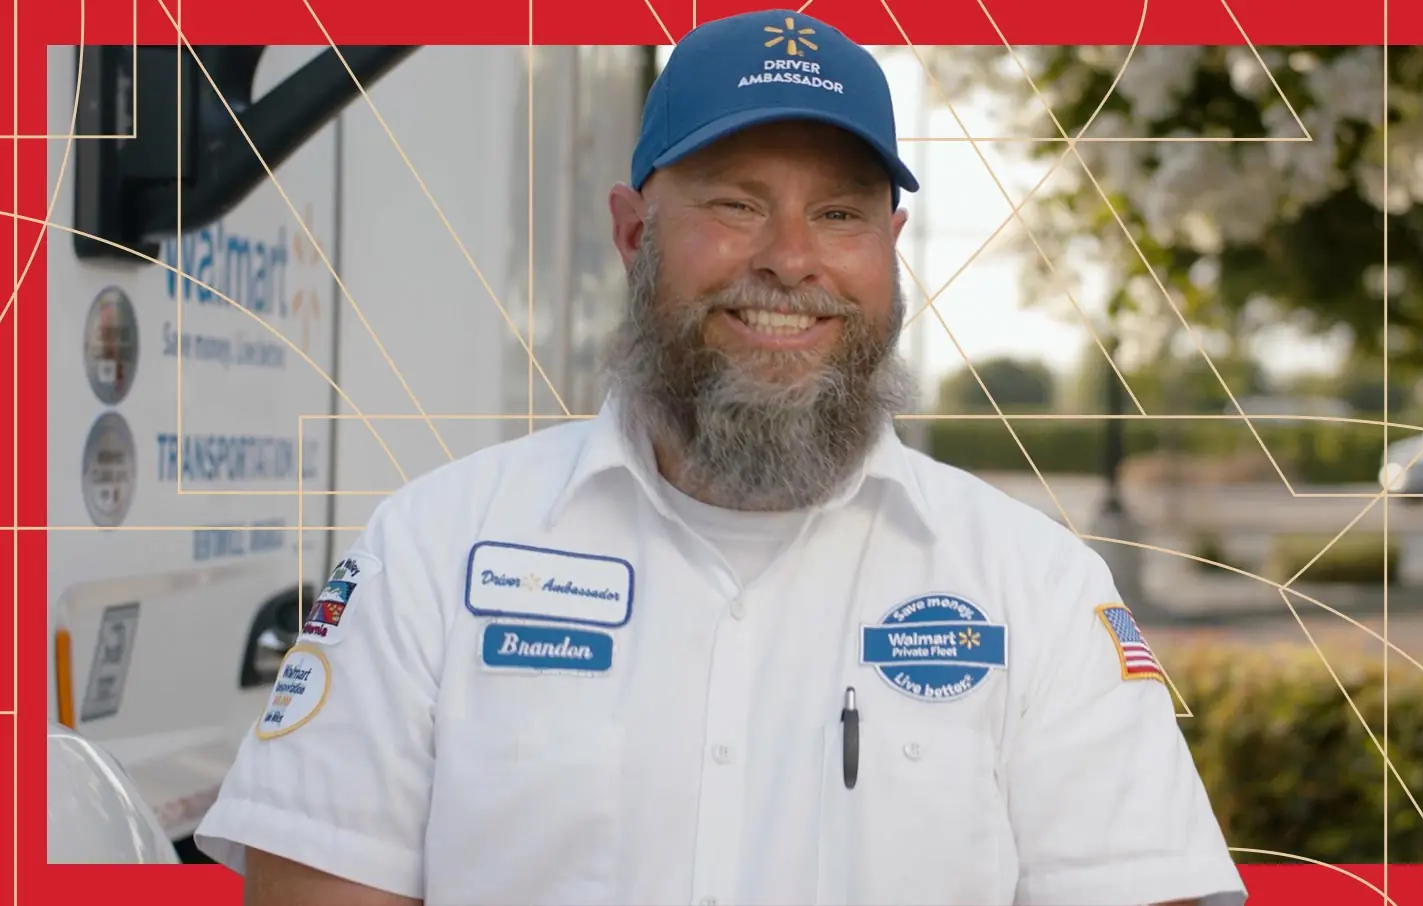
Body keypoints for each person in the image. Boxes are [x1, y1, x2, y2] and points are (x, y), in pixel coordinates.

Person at [194, 9, 1248, 906]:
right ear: (631, 232)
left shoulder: (1035, 588)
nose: (789, 259)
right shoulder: (434, 547)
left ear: (890, 245)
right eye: (735, 202)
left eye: (838, 213)